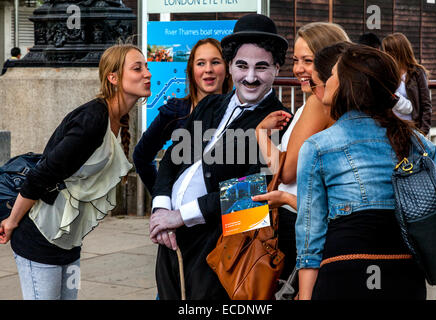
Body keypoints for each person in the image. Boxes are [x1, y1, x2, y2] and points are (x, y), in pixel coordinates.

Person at [148, 13, 290, 300]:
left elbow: (255, 192)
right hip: (172, 240)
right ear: (230, 66)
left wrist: (181, 216)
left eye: (261, 67)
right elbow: (173, 158)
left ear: (276, 67)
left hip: (221, 249)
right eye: (241, 66)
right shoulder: (211, 104)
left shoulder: (279, 122)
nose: (250, 77)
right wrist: (161, 209)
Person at [0, 44, 151, 300]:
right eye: (138, 68)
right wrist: (12, 222)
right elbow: (41, 175)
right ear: (113, 78)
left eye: (146, 67)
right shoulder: (93, 119)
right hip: (40, 235)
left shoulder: (118, 119)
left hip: (68, 240)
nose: (147, 73)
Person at [295, 44, 436, 300]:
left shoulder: (318, 146)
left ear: (348, 85)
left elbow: (310, 236)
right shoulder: (421, 144)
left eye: (333, 74)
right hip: (405, 275)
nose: (326, 80)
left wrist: (305, 296)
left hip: (344, 272)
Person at [252, 22, 350, 280]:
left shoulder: (317, 103)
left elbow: (285, 172)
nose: (297, 69)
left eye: (308, 60)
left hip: (296, 221)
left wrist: (260, 134)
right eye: (295, 60)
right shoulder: (334, 102)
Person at [133, 38, 232, 193]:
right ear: (192, 71)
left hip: (224, 210)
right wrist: (162, 197)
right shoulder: (176, 111)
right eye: (200, 63)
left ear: (227, 69)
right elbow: (141, 156)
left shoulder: (239, 111)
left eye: (215, 62)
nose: (208, 69)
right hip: (181, 213)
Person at [382, 33, 432, 135]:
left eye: (388, 51)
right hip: (391, 128)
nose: (385, 54)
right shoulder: (387, 72)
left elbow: (426, 105)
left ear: (398, 52)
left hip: (412, 128)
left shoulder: (417, 72)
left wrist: (422, 133)